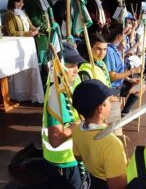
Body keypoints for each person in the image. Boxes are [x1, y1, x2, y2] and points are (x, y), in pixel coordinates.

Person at [41, 42, 85, 189]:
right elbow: (55, 139)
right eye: (71, 65)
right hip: (62, 160)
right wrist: (81, 121)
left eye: (77, 65)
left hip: (69, 158)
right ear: (59, 66)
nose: (76, 70)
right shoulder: (57, 94)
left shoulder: (65, 85)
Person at [72, 79, 127, 189]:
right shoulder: (112, 144)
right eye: (108, 101)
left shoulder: (78, 130)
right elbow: (118, 186)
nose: (111, 103)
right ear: (100, 108)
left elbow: (77, 157)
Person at [104, 22, 144, 116]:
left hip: (119, 83)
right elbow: (113, 76)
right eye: (123, 34)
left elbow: (118, 71)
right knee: (140, 87)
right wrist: (132, 71)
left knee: (141, 85)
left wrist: (129, 79)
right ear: (119, 36)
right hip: (114, 87)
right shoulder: (109, 51)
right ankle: (124, 111)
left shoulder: (114, 49)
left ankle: (125, 111)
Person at [25, 0, 53, 66]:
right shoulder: (31, 1)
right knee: (41, 60)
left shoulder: (48, 1)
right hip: (40, 36)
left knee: (50, 60)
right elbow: (33, 18)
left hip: (50, 35)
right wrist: (44, 28)